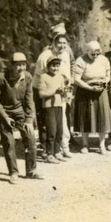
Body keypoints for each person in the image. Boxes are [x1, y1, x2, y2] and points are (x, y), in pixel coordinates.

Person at [0, 52, 41, 182]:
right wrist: (5, 118)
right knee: (9, 143)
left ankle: (31, 171)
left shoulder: (28, 77)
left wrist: (29, 120)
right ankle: (13, 172)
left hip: (20, 112)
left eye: (23, 65)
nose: (21, 68)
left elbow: (29, 100)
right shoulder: (0, 78)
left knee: (30, 138)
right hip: (4, 113)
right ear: (12, 66)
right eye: (18, 65)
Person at [33, 28, 73, 156]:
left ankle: (62, 147)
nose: (61, 46)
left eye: (64, 43)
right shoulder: (45, 56)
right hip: (43, 88)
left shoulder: (65, 54)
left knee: (61, 119)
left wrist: (67, 86)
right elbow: (46, 76)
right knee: (45, 119)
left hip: (60, 90)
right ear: (53, 43)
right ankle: (46, 148)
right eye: (59, 43)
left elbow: (66, 72)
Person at [72, 40, 111, 154]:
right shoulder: (80, 60)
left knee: (102, 117)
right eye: (92, 54)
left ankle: (102, 145)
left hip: (101, 91)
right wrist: (90, 88)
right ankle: (85, 144)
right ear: (87, 51)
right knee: (85, 117)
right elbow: (76, 79)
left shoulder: (103, 59)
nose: (95, 56)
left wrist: (105, 82)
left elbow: (108, 74)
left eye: (97, 53)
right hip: (85, 91)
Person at [37, 57, 69, 163]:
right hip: (48, 107)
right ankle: (49, 153)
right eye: (53, 65)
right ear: (48, 66)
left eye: (57, 65)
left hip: (59, 105)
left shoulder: (60, 77)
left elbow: (63, 94)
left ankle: (57, 152)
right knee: (51, 131)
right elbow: (41, 94)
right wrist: (54, 91)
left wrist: (65, 93)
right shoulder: (43, 77)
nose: (55, 68)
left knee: (60, 130)